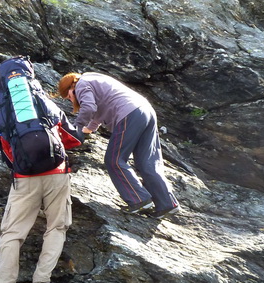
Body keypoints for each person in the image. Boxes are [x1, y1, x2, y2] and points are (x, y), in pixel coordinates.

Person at [0, 89, 85, 283]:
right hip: (57, 174)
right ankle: (42, 280)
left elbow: (5, 151)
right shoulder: (44, 103)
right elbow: (73, 138)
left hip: (25, 178)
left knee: (13, 232)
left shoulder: (2, 111)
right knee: (57, 226)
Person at [57, 71, 179, 218]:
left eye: (69, 97)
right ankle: (167, 204)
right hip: (145, 111)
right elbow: (96, 115)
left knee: (114, 160)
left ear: (71, 88)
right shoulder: (94, 79)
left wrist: (76, 127)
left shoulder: (81, 84)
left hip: (128, 114)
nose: (71, 101)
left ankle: (139, 200)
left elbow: (88, 108)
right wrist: (85, 131)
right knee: (147, 162)